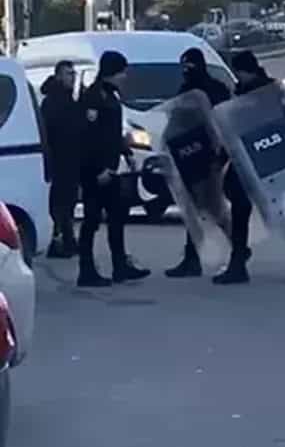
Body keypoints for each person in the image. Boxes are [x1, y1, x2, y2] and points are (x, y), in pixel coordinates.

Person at [217, 51, 285, 285]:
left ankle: (238, 264)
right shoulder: (274, 90)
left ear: (243, 70)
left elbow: (237, 126)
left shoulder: (250, 94)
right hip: (272, 157)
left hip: (251, 157)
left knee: (242, 210)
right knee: (271, 210)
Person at [76, 51, 150, 287]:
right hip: (96, 171)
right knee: (91, 220)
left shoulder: (109, 95)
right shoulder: (94, 97)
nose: (125, 76)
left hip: (111, 168)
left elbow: (111, 134)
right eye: (122, 71)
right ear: (112, 72)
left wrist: (125, 153)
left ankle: (120, 266)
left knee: (117, 217)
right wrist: (101, 169)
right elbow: (90, 138)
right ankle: (86, 270)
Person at [165, 48, 232, 279]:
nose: (187, 72)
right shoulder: (186, 91)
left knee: (213, 207)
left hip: (210, 156)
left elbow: (224, 121)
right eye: (184, 67)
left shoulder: (215, 90)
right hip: (189, 155)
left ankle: (238, 249)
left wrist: (222, 153)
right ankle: (192, 258)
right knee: (194, 209)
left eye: (190, 67)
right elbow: (175, 123)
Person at [40, 60, 81, 260]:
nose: (72, 77)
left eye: (73, 73)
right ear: (58, 76)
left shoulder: (68, 99)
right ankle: (57, 241)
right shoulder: (53, 101)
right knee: (60, 203)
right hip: (59, 160)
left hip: (70, 159)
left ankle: (68, 239)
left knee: (69, 201)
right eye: (68, 73)